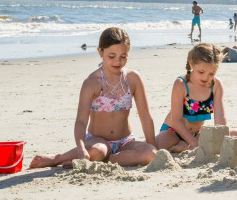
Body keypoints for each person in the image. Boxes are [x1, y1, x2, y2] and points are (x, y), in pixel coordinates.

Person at [29, 27, 157, 168]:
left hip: (125, 142)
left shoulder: (133, 79)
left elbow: (145, 117)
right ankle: (57, 159)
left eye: (123, 56)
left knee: (150, 154)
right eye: (111, 56)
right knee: (97, 151)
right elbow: (81, 122)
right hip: (97, 141)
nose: (118, 61)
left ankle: (107, 159)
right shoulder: (92, 83)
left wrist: (154, 148)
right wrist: (81, 149)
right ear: (100, 52)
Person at [156, 43, 237, 152]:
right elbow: (176, 121)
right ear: (192, 64)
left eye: (212, 73)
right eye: (201, 72)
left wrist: (220, 138)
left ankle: (184, 146)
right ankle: (183, 145)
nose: (206, 77)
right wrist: (193, 143)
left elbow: (220, 117)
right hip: (173, 131)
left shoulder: (216, 85)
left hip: (196, 134)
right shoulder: (181, 84)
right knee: (160, 146)